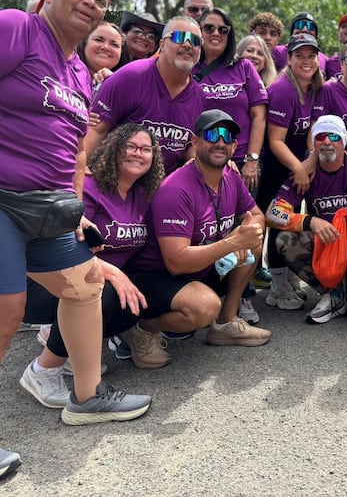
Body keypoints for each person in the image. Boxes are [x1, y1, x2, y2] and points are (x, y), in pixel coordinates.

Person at [0, 0, 151, 446]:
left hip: (48, 209)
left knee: (85, 287)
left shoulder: (81, 74)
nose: (91, 2)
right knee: (7, 308)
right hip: (4, 199)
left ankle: (87, 397)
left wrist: (77, 210)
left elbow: (77, 153)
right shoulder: (18, 28)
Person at [20, 124, 165, 400]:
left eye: (146, 149)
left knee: (132, 300)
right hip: (46, 281)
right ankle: (43, 371)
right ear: (114, 148)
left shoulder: (141, 195)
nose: (138, 153)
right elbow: (65, 243)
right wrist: (113, 272)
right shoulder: (89, 185)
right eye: (130, 146)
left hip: (90, 278)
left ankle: (72, 351)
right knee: (104, 291)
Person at [127, 109, 271, 352]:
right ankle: (142, 329)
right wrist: (232, 243)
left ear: (235, 146)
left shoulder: (231, 176)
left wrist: (241, 236)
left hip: (200, 266)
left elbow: (257, 216)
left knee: (252, 238)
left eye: (227, 136)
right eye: (212, 134)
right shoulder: (176, 189)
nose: (220, 142)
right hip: (157, 276)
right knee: (205, 307)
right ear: (195, 142)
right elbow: (176, 263)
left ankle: (225, 324)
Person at [266, 115, 347, 323]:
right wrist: (310, 221)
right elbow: (272, 213)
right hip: (327, 239)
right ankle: (334, 293)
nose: (327, 142)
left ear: (343, 141)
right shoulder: (306, 172)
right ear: (314, 143)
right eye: (320, 137)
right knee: (284, 240)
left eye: (334, 136)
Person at [86, 16, 205, 174]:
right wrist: (79, 172)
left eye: (195, 41)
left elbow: (191, 147)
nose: (188, 44)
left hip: (165, 185)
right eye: (179, 37)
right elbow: (97, 130)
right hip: (116, 181)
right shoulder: (130, 77)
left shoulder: (199, 97)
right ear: (162, 44)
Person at [259, 33, 324, 310]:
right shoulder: (284, 89)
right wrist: (298, 168)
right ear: (289, 59)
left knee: (289, 220)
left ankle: (285, 278)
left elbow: (312, 127)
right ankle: (276, 289)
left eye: (311, 55)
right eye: (300, 56)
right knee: (277, 222)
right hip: (275, 167)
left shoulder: (314, 86)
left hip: (296, 163)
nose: (306, 61)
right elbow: (275, 141)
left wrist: (310, 158)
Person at [195, 8, 268, 193]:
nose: (216, 33)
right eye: (209, 28)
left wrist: (252, 160)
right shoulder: (188, 68)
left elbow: (259, 116)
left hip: (243, 163)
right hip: (201, 161)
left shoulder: (244, 67)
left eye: (223, 30)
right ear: (199, 32)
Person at [78, 21, 127, 90]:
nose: (105, 47)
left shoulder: (124, 87)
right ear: (85, 43)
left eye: (114, 44)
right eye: (98, 40)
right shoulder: (67, 74)